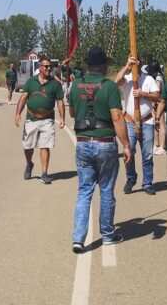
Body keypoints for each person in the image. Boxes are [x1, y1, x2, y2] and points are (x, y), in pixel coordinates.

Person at [69, 47, 132, 253]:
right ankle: (107, 235)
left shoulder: (75, 85)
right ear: (103, 65)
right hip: (104, 142)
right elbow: (117, 117)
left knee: (84, 191)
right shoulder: (109, 87)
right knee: (106, 189)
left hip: (83, 141)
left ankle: (78, 238)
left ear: (88, 65)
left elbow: (72, 112)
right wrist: (126, 145)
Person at [13, 58, 66, 183]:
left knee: (45, 146)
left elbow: (60, 102)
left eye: (50, 66)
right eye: (46, 66)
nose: (49, 68)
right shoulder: (31, 82)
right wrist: (18, 114)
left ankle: (44, 173)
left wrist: (62, 118)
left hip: (47, 119)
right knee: (28, 146)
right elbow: (23, 97)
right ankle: (29, 163)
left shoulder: (55, 84)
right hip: (31, 119)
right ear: (40, 67)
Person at [115, 57, 160, 195]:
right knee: (128, 152)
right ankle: (131, 178)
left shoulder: (148, 79)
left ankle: (147, 183)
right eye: (130, 60)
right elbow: (116, 82)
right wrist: (126, 66)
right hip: (130, 121)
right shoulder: (127, 78)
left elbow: (157, 96)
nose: (134, 63)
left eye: (135, 60)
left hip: (146, 121)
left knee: (147, 155)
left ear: (140, 63)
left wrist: (143, 94)